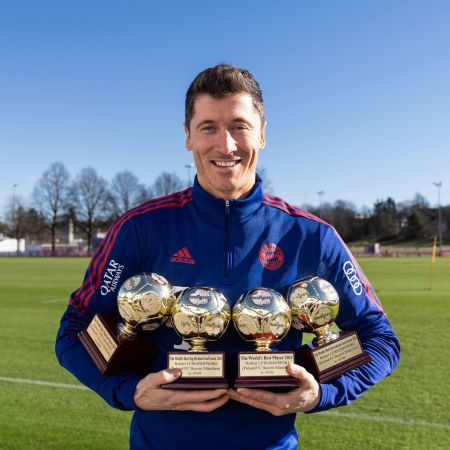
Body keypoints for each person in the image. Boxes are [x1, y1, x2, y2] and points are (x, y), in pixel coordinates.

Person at [56, 64, 400, 450]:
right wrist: (127, 391)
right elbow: (74, 331)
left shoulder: (312, 237)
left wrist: (321, 393)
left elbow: (381, 340)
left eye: (239, 126)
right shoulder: (139, 229)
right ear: (187, 136)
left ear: (263, 134)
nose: (226, 145)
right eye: (208, 127)